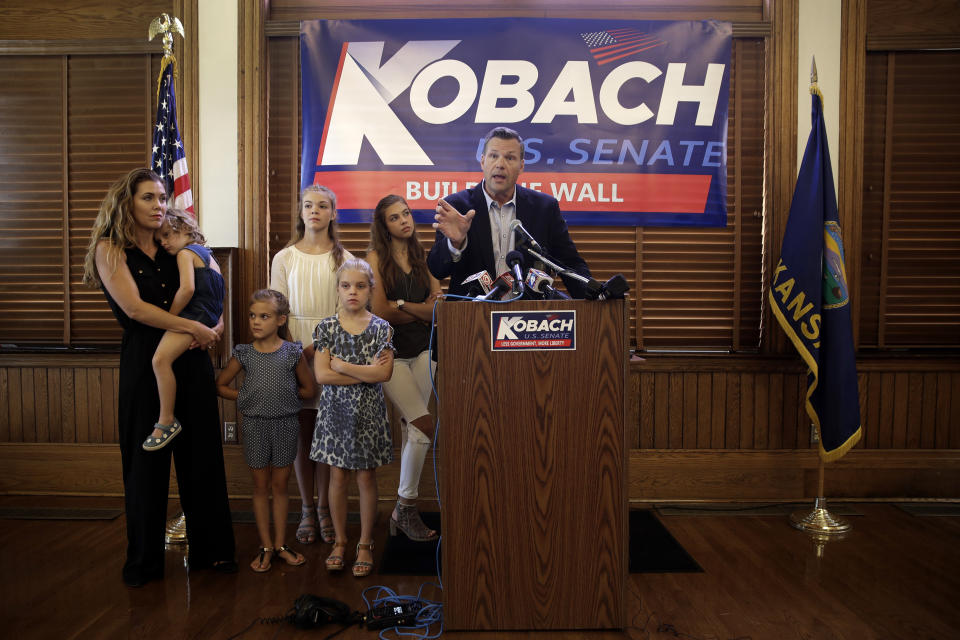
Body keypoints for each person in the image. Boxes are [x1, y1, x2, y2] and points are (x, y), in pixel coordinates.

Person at [81, 167, 236, 587]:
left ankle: (214, 554)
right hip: (145, 362)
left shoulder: (178, 247)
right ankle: (145, 563)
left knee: (202, 460)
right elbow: (134, 310)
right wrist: (194, 328)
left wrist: (214, 327)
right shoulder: (110, 249)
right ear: (126, 202)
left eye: (163, 197)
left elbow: (212, 294)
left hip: (192, 360)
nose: (159, 205)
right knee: (145, 466)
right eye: (148, 197)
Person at [270, 184, 352, 546]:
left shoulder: (343, 257)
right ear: (301, 212)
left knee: (325, 437)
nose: (315, 210)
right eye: (308, 205)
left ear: (333, 213)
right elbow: (277, 310)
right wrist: (294, 350)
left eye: (322, 205)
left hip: (328, 351)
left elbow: (345, 311)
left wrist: (316, 347)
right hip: (292, 349)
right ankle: (306, 508)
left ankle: (324, 510)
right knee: (303, 437)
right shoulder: (284, 257)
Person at [427, 126, 592, 298]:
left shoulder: (544, 208)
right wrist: (454, 244)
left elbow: (569, 265)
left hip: (529, 317)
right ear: (483, 161)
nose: (500, 164)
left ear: (521, 166)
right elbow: (437, 270)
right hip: (473, 317)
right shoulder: (457, 207)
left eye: (510, 158)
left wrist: (594, 296)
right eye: (493, 156)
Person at [216, 289, 316, 572]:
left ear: (280, 319)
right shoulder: (244, 353)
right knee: (260, 487)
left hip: (286, 424)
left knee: (280, 486)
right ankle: (266, 546)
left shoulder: (292, 352)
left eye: (264, 316)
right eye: (252, 316)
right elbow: (221, 385)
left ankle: (282, 544)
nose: (256, 322)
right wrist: (246, 397)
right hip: (255, 425)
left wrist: (284, 396)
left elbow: (309, 389)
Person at [311, 258, 394, 577]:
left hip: (368, 414)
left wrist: (343, 366)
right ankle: (341, 541)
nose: (353, 292)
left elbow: (383, 373)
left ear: (370, 290)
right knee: (337, 478)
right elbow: (321, 375)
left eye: (360, 286)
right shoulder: (327, 327)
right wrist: (365, 373)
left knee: (365, 477)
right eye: (346, 286)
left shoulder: (381, 328)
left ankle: (365, 543)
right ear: (337, 290)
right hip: (335, 415)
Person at [368, 195, 442, 542]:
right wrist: (418, 308)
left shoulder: (422, 256)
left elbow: (438, 308)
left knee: (414, 430)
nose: (404, 221)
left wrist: (404, 305)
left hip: (427, 350)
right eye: (395, 217)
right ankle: (405, 507)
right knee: (423, 424)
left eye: (407, 214)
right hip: (391, 354)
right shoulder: (374, 259)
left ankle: (403, 511)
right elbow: (381, 311)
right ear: (384, 226)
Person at [143, 208, 225, 451]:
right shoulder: (211, 258)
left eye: (167, 235)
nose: (164, 243)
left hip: (193, 316)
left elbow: (187, 289)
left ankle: (166, 420)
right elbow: (220, 296)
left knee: (159, 360)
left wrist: (170, 317)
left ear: (186, 229)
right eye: (160, 240)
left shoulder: (185, 254)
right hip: (209, 317)